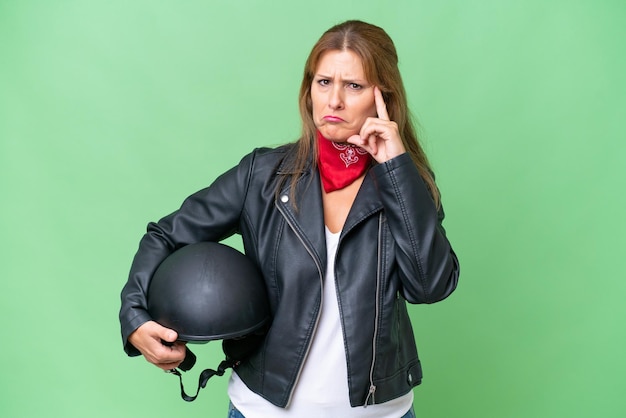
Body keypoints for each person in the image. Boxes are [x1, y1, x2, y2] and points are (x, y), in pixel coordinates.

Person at [119, 19, 460, 418]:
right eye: (323, 82)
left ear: (382, 97)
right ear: (308, 90)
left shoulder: (408, 183)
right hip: (261, 410)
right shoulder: (261, 175)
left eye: (353, 86)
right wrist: (135, 318)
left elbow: (431, 285)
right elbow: (165, 234)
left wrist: (397, 171)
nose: (334, 100)